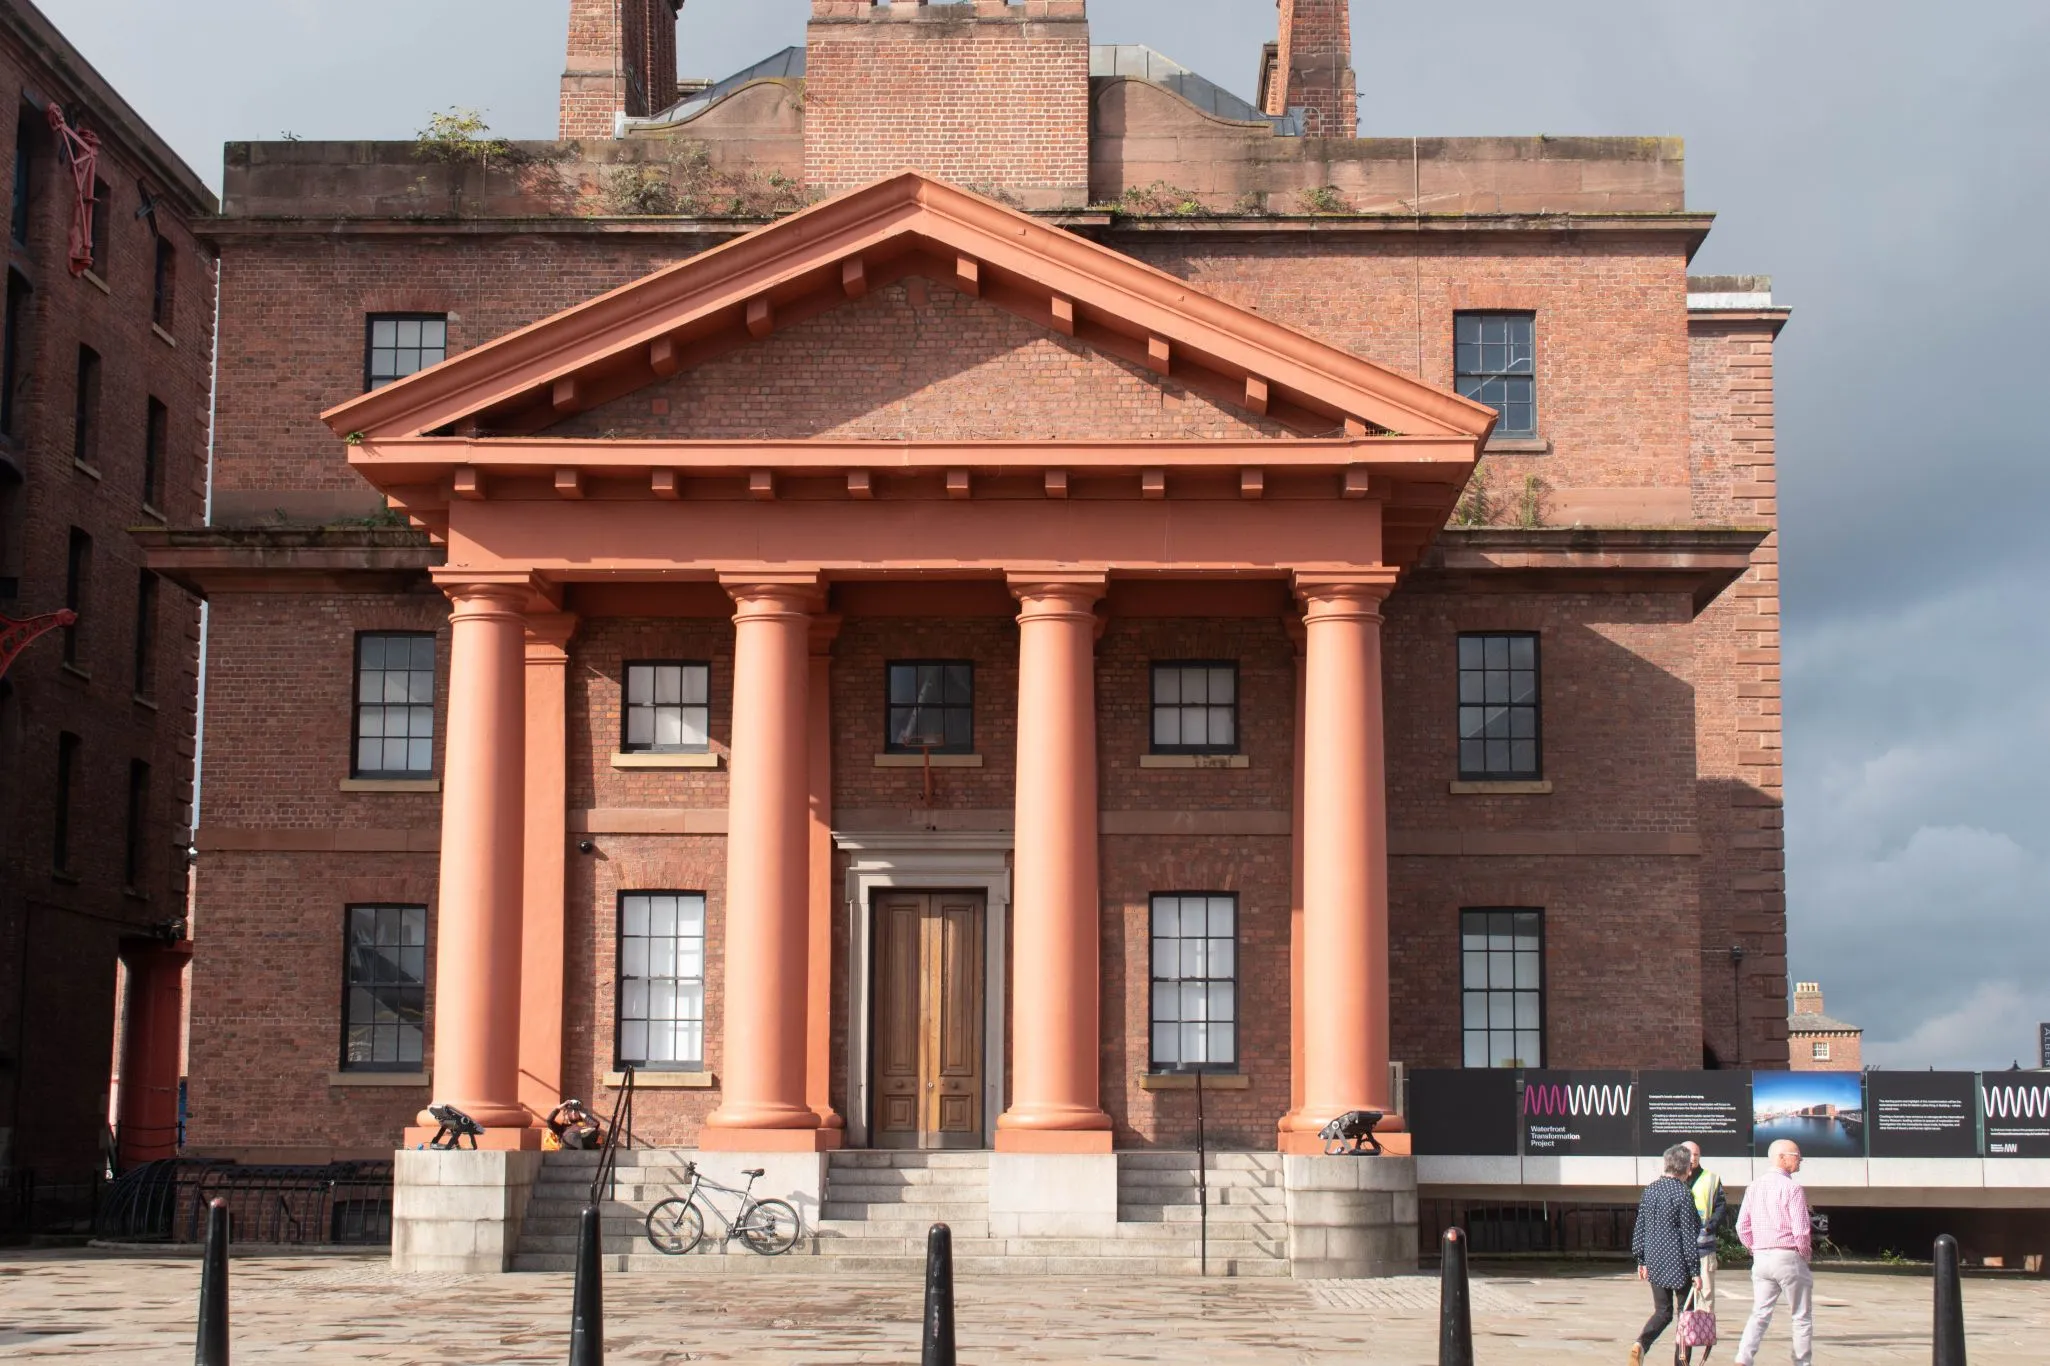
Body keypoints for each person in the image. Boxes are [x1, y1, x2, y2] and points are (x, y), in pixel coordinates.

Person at [1735, 1139, 1815, 1366]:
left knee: (1760, 1313)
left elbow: (1742, 1226)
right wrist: (1805, 1255)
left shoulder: (1754, 1186)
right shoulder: (1793, 1188)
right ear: (1782, 1157)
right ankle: (1802, 1362)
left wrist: (1754, 1248)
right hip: (1788, 1255)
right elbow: (1801, 1230)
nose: (1800, 1160)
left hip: (1761, 1257)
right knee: (1801, 1316)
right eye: (1796, 1155)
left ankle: (1743, 1358)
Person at [1630, 1143, 1704, 1365]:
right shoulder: (1683, 1193)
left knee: (1663, 1311)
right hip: (1679, 1262)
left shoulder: (1650, 1190)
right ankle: (1681, 1363)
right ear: (1686, 1169)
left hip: (1654, 1259)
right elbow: (1689, 1235)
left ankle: (1641, 1343)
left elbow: (1640, 1227)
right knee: (1686, 1316)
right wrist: (1695, 1271)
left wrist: (1641, 1259)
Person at [1684, 1140, 1729, 1311]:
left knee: (1705, 1292)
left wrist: (1711, 1225)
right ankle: (1687, 1332)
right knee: (1684, 1294)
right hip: (1680, 1246)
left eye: (1696, 1154)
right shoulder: (1672, 1179)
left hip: (1704, 1245)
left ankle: (1704, 1334)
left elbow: (1721, 1206)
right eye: (1689, 1154)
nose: (1693, 1158)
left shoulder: (1712, 1178)